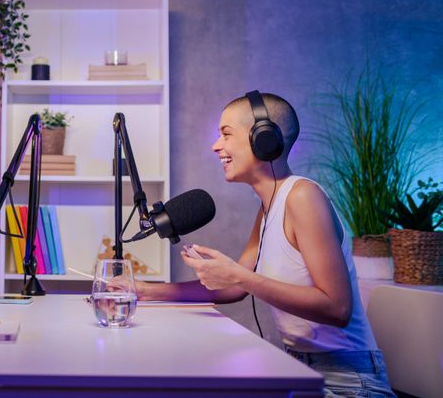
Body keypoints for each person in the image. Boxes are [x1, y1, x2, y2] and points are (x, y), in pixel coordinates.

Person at [136, 91, 394, 397]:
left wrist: (238, 275)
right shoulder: (268, 209)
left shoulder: (303, 197)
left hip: (348, 381)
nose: (216, 145)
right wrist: (144, 291)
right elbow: (234, 289)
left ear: (264, 138)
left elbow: (337, 308)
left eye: (226, 134)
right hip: (301, 368)